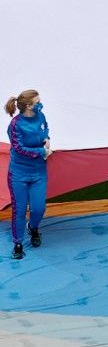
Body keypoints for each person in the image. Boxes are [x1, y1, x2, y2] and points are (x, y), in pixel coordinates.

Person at [7, 91, 50, 262]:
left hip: (38, 172)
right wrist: (42, 151)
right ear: (28, 106)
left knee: (38, 209)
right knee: (19, 210)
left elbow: (45, 128)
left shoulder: (41, 115)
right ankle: (18, 243)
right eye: (37, 102)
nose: (41, 104)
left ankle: (33, 228)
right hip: (19, 173)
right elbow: (19, 149)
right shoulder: (16, 124)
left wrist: (46, 138)